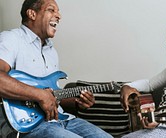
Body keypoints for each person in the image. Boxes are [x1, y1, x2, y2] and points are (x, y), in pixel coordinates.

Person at [0, 0, 113, 138]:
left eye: (58, 11)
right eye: (51, 10)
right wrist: (40, 95)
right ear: (32, 14)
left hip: (63, 120)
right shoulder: (11, 39)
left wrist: (76, 103)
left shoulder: (51, 51)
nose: (59, 16)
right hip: (28, 127)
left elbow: (53, 96)